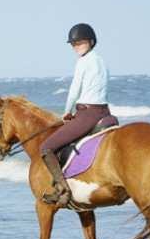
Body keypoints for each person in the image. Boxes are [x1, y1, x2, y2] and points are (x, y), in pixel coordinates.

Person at [39, 23, 110, 205]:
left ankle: (62, 190)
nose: (76, 46)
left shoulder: (83, 62)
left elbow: (74, 90)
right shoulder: (102, 61)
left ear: (91, 41)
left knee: (46, 148)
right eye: (73, 44)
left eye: (80, 42)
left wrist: (67, 111)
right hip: (105, 113)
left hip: (88, 114)